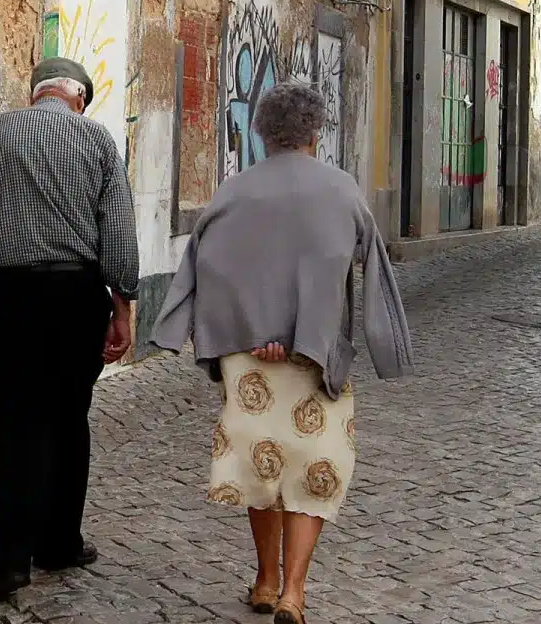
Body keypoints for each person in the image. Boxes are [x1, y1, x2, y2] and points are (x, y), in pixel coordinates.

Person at [152, 82, 413, 624]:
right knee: (313, 472)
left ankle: (265, 579)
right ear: (316, 134)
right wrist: (380, 345)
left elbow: (208, 267)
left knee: (262, 463)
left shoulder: (233, 192)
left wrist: (241, 332)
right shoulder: (342, 191)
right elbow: (369, 271)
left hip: (249, 358)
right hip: (314, 358)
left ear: (260, 133)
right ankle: (295, 591)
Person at [0, 57, 139, 602]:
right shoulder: (99, 141)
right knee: (69, 421)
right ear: (80, 99)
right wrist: (124, 305)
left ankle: (6, 562)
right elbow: (117, 228)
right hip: (76, 299)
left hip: (13, 299)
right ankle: (60, 542)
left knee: (17, 426)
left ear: (35, 95)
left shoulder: (0, 132)